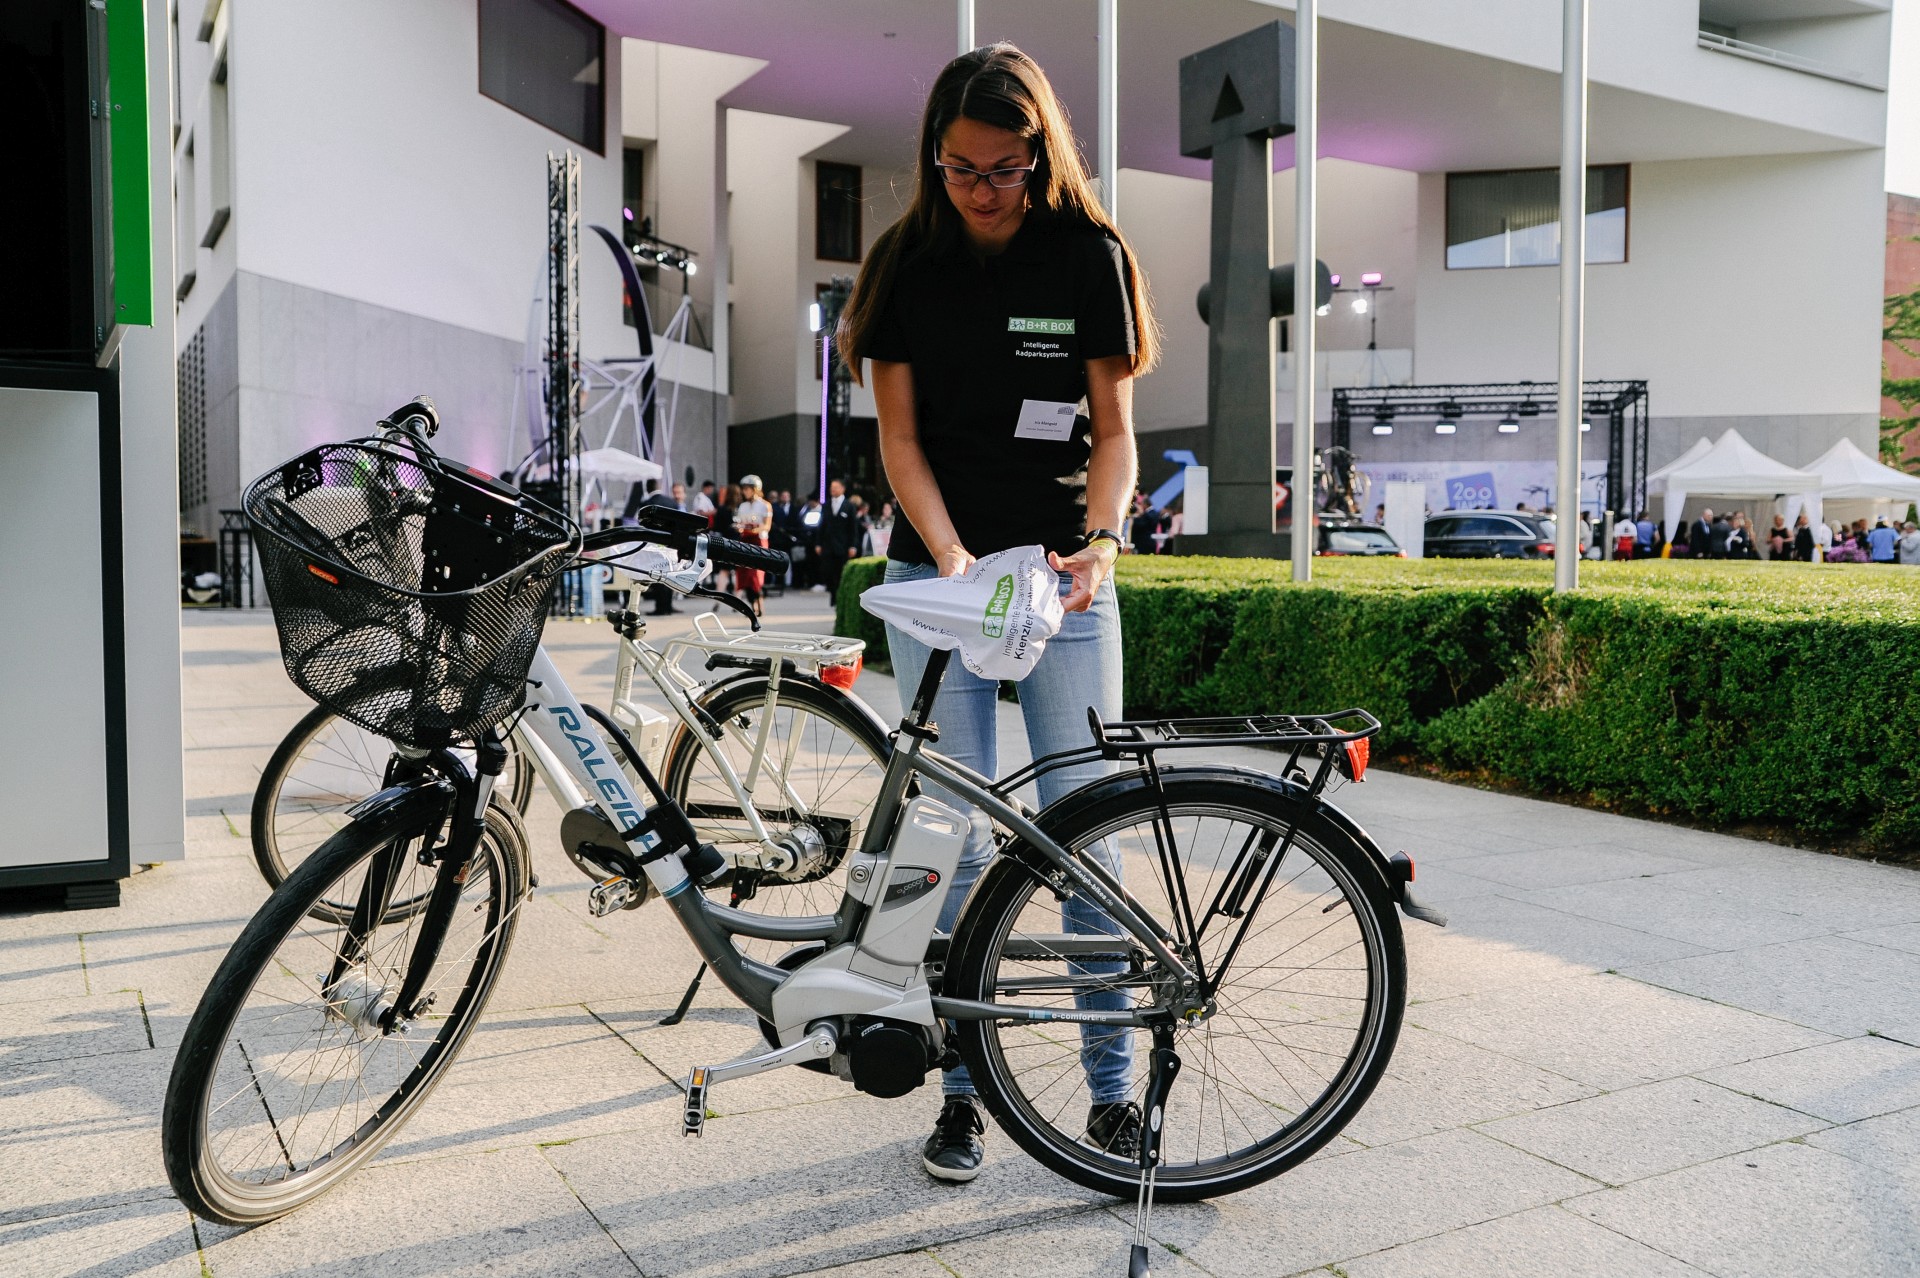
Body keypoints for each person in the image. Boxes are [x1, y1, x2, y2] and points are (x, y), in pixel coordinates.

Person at [837, 41, 1160, 1183]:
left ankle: (1115, 1097)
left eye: (1005, 169)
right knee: (955, 850)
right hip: (942, 588)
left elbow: (1114, 431)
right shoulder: (904, 265)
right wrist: (952, 556)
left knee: (1087, 841)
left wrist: (1105, 545)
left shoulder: (1088, 255)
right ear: (935, 154)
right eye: (962, 168)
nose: (982, 191)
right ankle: (967, 1094)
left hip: (1066, 582)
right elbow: (900, 438)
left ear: (1040, 155)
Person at [731, 475, 774, 614]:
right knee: (744, 574)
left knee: (755, 574)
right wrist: (740, 527)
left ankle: (759, 602)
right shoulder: (742, 506)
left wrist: (755, 529)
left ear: (755, 489)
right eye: (744, 489)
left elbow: (767, 526)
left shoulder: (765, 505)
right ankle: (752, 604)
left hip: (759, 541)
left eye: (747, 489)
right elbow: (741, 523)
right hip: (745, 540)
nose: (745, 492)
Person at [817, 478, 862, 596]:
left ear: (842, 489)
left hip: (843, 545)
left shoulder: (849, 506)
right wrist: (818, 543)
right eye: (831, 487)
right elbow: (821, 526)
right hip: (828, 545)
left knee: (841, 572)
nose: (833, 489)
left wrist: (853, 545)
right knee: (828, 571)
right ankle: (833, 595)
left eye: (836, 487)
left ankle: (841, 595)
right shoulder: (826, 505)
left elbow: (853, 528)